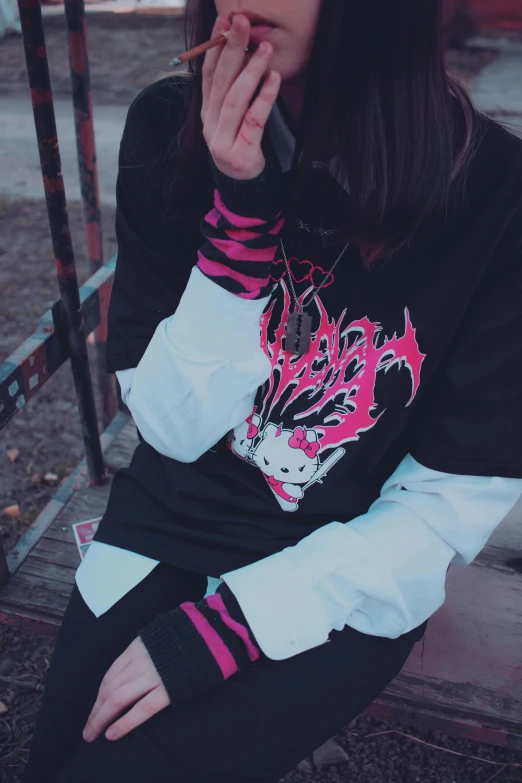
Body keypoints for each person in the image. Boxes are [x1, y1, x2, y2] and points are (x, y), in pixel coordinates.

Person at [23, 1, 522, 781]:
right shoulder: (168, 128)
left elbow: (448, 504)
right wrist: (238, 219)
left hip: (341, 572)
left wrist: (236, 624)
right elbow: (170, 427)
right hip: (167, 522)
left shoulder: (495, 194)